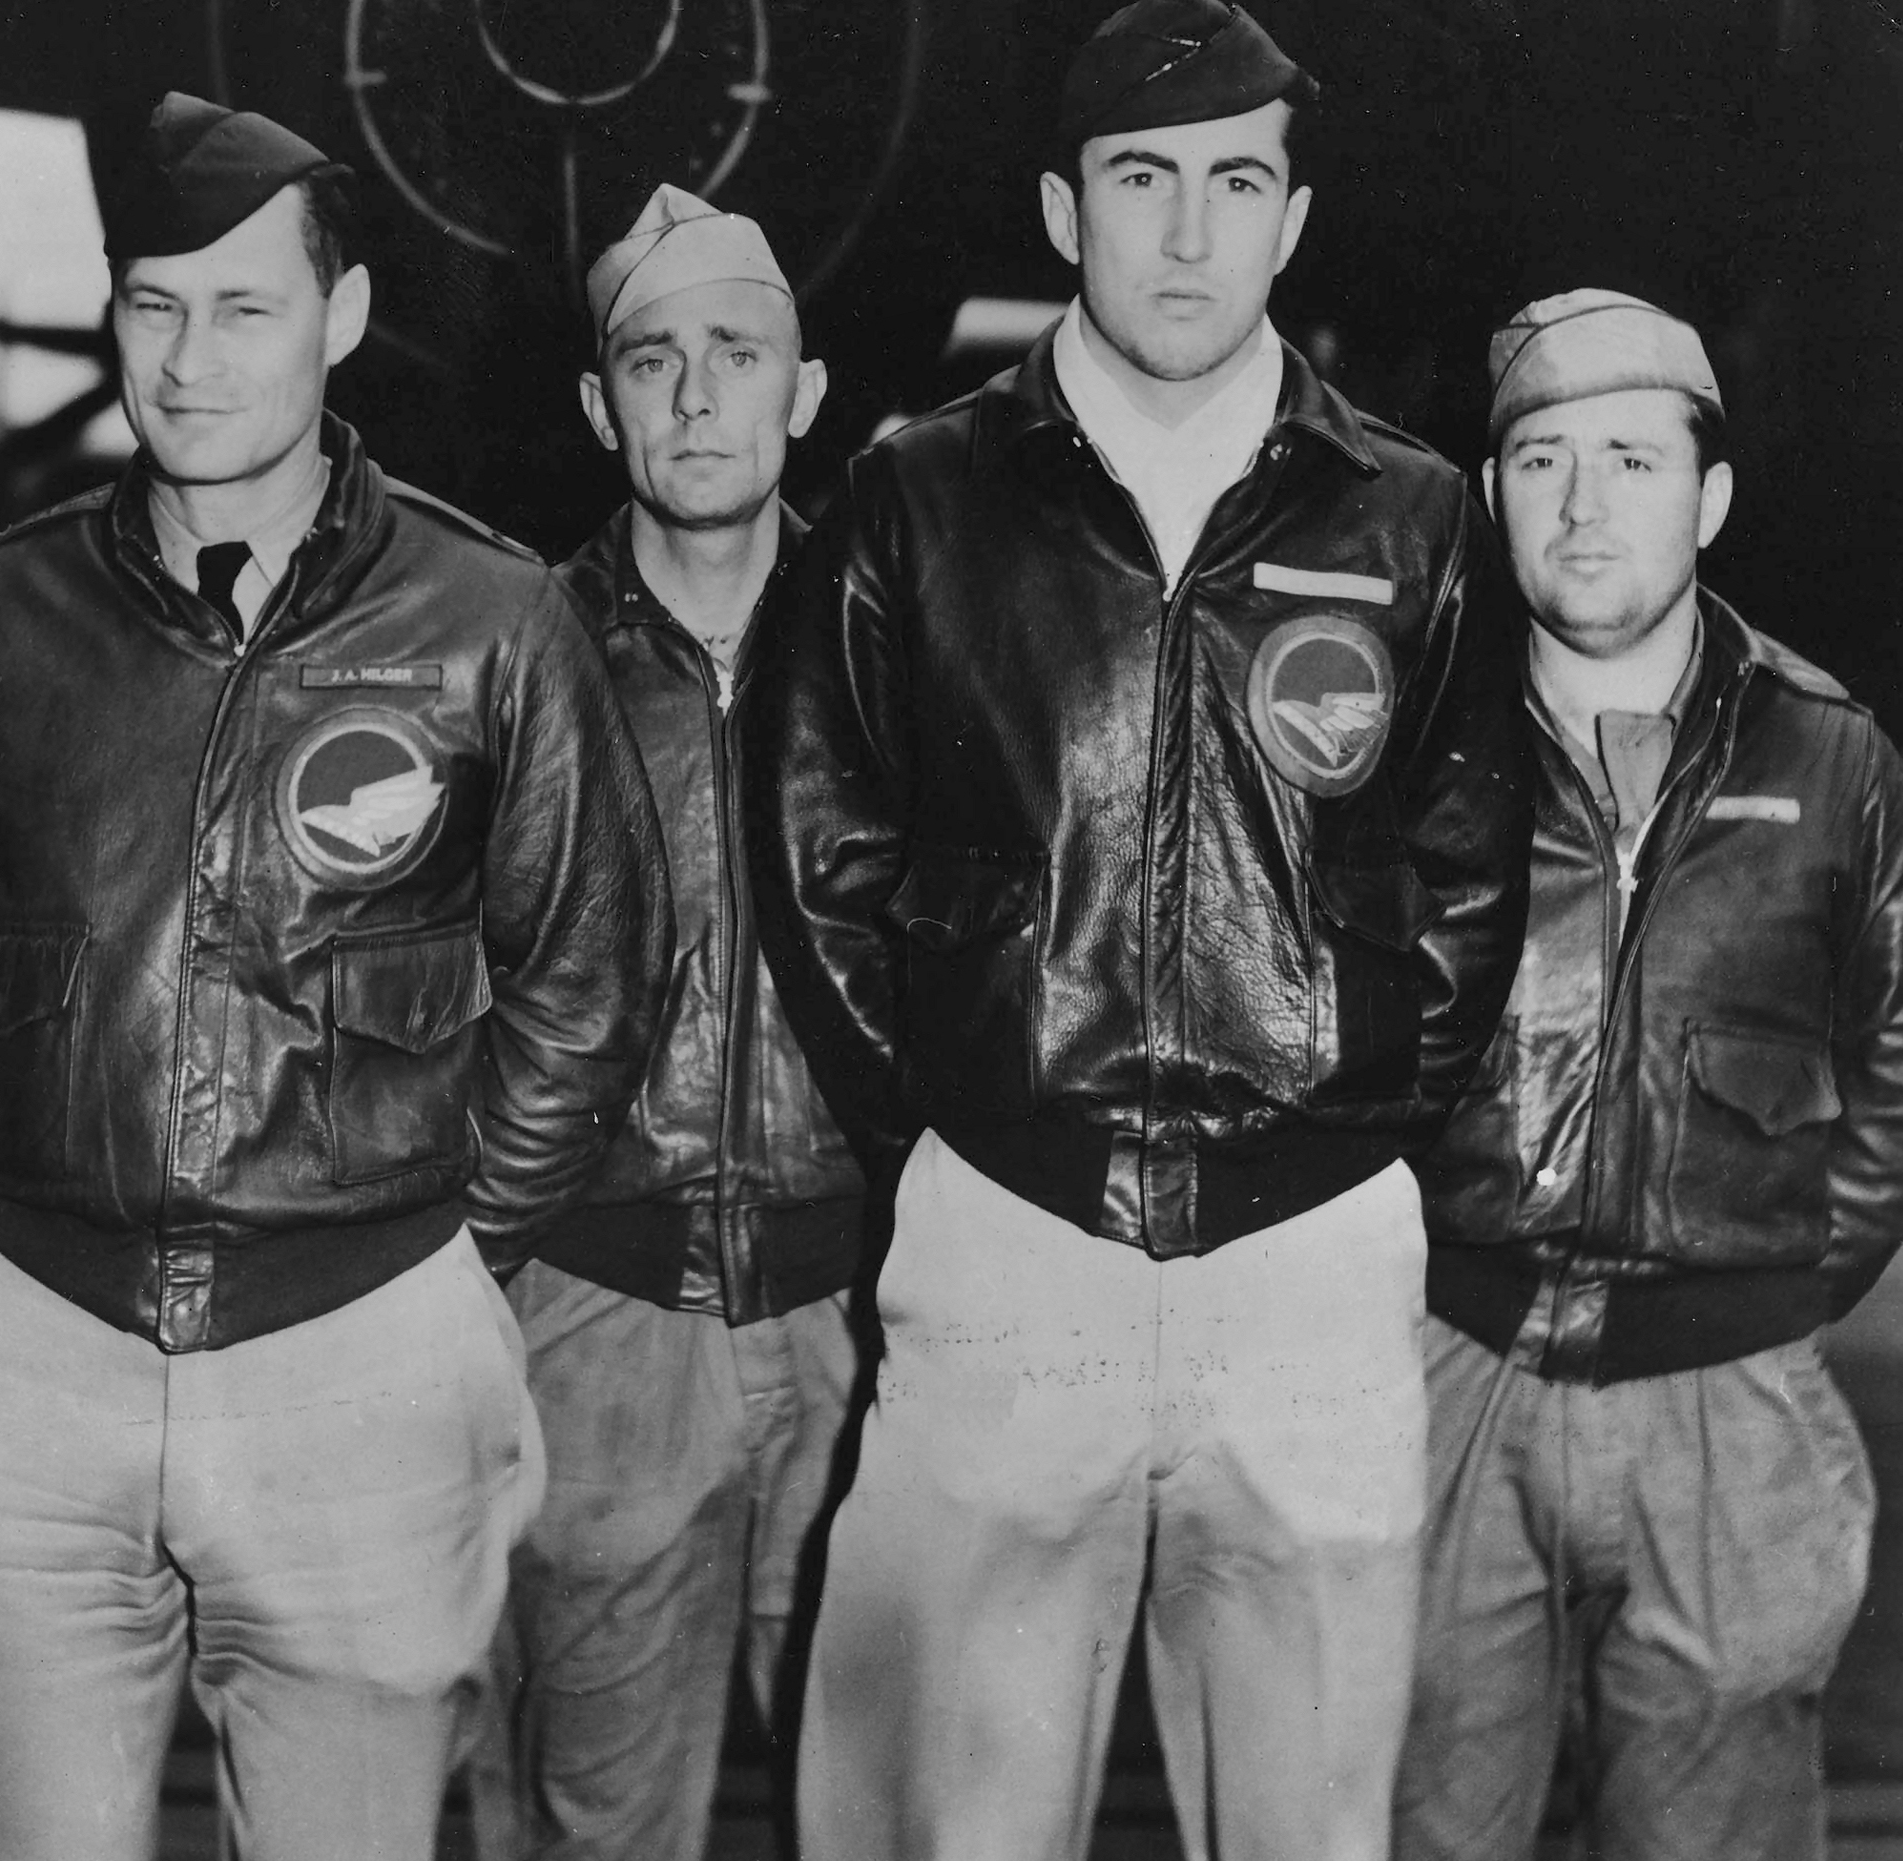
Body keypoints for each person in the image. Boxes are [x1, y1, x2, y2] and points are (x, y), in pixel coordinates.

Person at [739, 2, 1533, 1854]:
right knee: (957, 1804)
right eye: (1142, 180)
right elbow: (820, 856)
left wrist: (1340, 1127)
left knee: (1310, 1808)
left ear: (1294, 221)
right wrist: (964, 1124)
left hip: (1310, 1251)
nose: (1188, 232)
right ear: (1059, 206)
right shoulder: (917, 494)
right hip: (1013, 1241)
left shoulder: (1413, 517)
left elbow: (1475, 877)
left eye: (1234, 183)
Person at [0, 93, 671, 1861]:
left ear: (344, 317)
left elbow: (590, 969)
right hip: (37, 1342)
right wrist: (29, 1177)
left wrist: (455, 1249)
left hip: (362, 1334)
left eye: (243, 307)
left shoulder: (487, 615)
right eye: (155, 305)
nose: (191, 358)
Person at [1394, 289, 1903, 1861]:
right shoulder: (1406, 744)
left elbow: (1898, 1050)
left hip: (1730, 1405)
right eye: (1543, 459)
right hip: (1444, 1378)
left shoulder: (1830, 755)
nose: (1588, 502)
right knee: (1419, 1822)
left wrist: (1776, 1291)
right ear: (1491, 496)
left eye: (1633, 455)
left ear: (1713, 495)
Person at [467, 185, 861, 1861]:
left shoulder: (898, 641)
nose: (697, 398)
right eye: (652, 361)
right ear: (596, 403)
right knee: (599, 1815)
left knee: (906, 1803)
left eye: (737, 353)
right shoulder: (507, 653)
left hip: (873, 1319)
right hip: (602, 1319)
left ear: (807, 387)